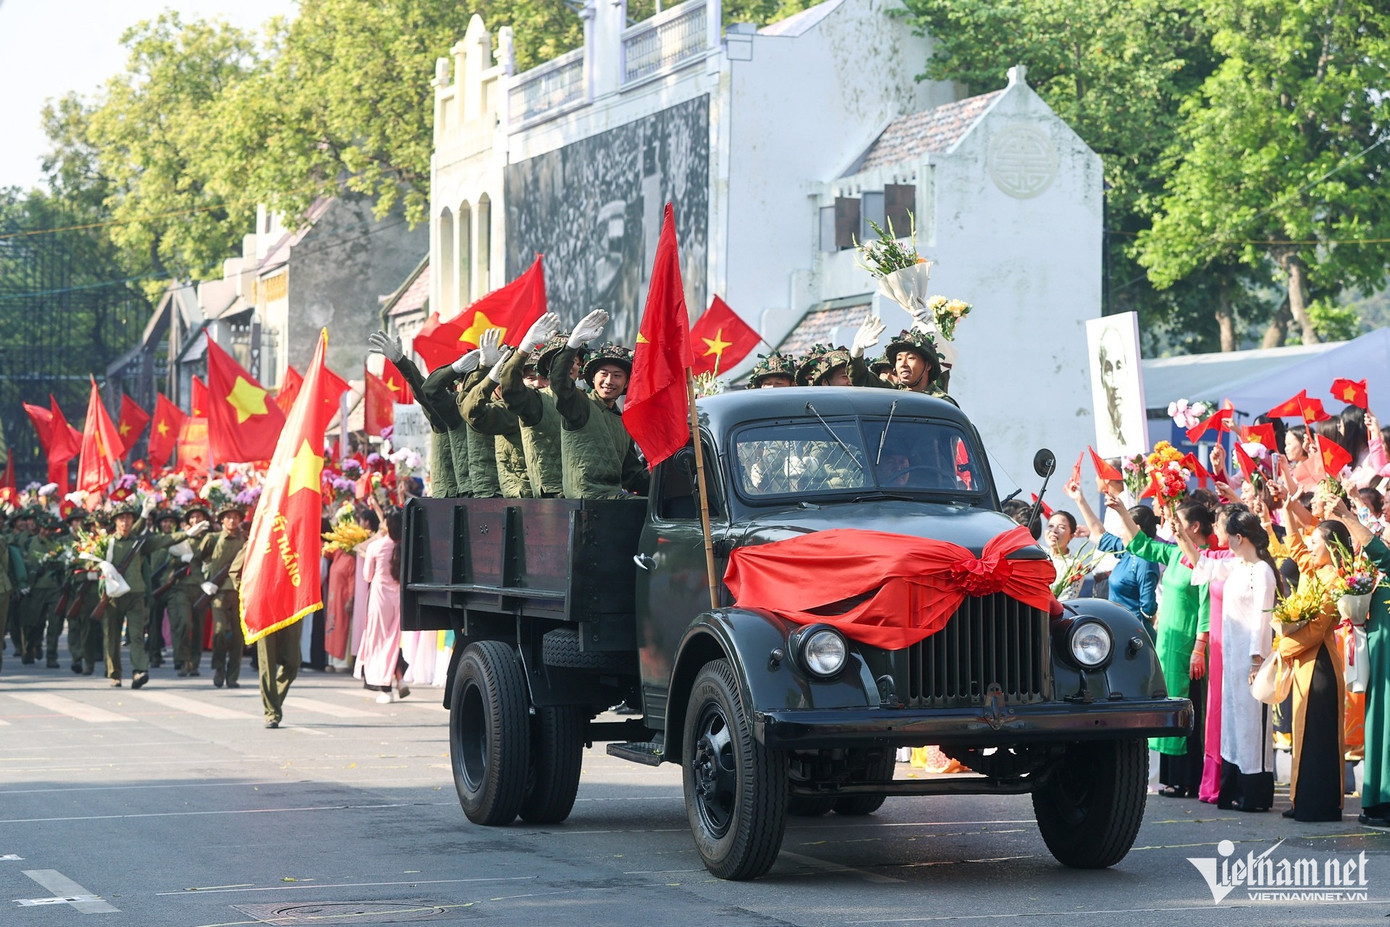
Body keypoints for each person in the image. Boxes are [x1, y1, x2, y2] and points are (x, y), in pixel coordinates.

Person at [1172, 507, 1279, 812]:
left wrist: (1257, 660)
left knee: (1250, 725)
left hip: (1250, 659)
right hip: (1230, 658)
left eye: (1228, 535)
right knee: (1232, 725)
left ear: (1240, 537)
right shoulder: (1235, 565)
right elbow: (1203, 565)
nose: (1224, 540)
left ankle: (1254, 793)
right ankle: (1233, 790)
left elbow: (1263, 619)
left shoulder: (1262, 571)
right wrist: (1180, 536)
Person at [1110, 495, 1214, 798]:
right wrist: (1120, 512)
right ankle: (1171, 777)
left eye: (1178, 523)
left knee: (1188, 710)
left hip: (1187, 646)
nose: (1173, 528)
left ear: (1194, 527)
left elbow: (1206, 607)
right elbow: (1141, 544)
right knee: (1170, 708)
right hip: (1167, 642)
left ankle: (1187, 778)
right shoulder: (1174, 555)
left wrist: (1199, 647)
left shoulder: (1205, 560)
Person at [1272, 491, 1348, 822]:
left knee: (1318, 735)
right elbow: (1296, 550)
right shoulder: (1315, 571)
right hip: (1304, 661)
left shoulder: (1333, 579)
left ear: (1331, 548)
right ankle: (1302, 798)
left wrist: (1283, 648)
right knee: (1303, 732)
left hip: (1320, 665)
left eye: (1317, 542)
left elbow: (1317, 629)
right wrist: (1287, 509)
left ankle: (1320, 804)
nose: (1311, 546)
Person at [101, 497, 208, 688]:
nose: (125, 522)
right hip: (113, 596)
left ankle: (139, 671)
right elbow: (89, 562)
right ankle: (114, 673)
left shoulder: (141, 543)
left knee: (136, 635)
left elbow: (164, 540)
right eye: (121, 519)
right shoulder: (107, 543)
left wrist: (187, 533)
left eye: (128, 518)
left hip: (136, 594)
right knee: (112, 636)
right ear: (115, 522)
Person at [549, 308, 650, 499]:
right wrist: (573, 344)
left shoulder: (622, 422)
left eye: (617, 376)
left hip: (613, 499)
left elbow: (632, 476)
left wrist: (665, 468)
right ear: (592, 379)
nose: (609, 381)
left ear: (627, 382)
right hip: (587, 500)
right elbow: (559, 382)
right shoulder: (580, 405)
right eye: (603, 374)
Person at [369, 330, 466, 497]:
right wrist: (401, 363)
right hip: (451, 495)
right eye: (462, 383)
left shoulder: (487, 410)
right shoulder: (446, 416)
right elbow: (425, 391)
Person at [1064, 480, 1159, 634]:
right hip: (1118, 626)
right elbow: (1099, 534)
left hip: (1133, 632)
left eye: (1123, 526)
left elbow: (1148, 608)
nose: (1120, 531)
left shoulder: (1144, 559)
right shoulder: (1127, 550)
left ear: (1137, 529)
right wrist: (1079, 499)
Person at [494, 314, 572, 497]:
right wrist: (487, 373)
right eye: (530, 378)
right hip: (530, 496)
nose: (537, 383)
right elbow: (475, 412)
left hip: (570, 494)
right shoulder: (529, 404)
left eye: (543, 378)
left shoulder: (582, 402)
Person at [461, 329, 533, 499]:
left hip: (529, 492)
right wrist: (485, 369)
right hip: (500, 494)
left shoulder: (529, 403)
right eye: (498, 377)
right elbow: (468, 406)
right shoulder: (501, 410)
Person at [357, 508, 409, 703]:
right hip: (399, 597)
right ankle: (400, 678)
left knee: (379, 642)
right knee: (393, 641)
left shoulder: (376, 547)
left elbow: (366, 575)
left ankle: (386, 688)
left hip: (380, 599)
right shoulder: (405, 546)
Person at [197, 503, 247, 689]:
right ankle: (219, 668)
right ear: (222, 520)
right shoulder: (212, 539)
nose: (232, 520)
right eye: (228, 517)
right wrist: (203, 580)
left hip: (238, 593)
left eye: (235, 517)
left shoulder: (245, 540)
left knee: (237, 637)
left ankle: (232, 675)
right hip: (218, 593)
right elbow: (196, 560)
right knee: (219, 632)